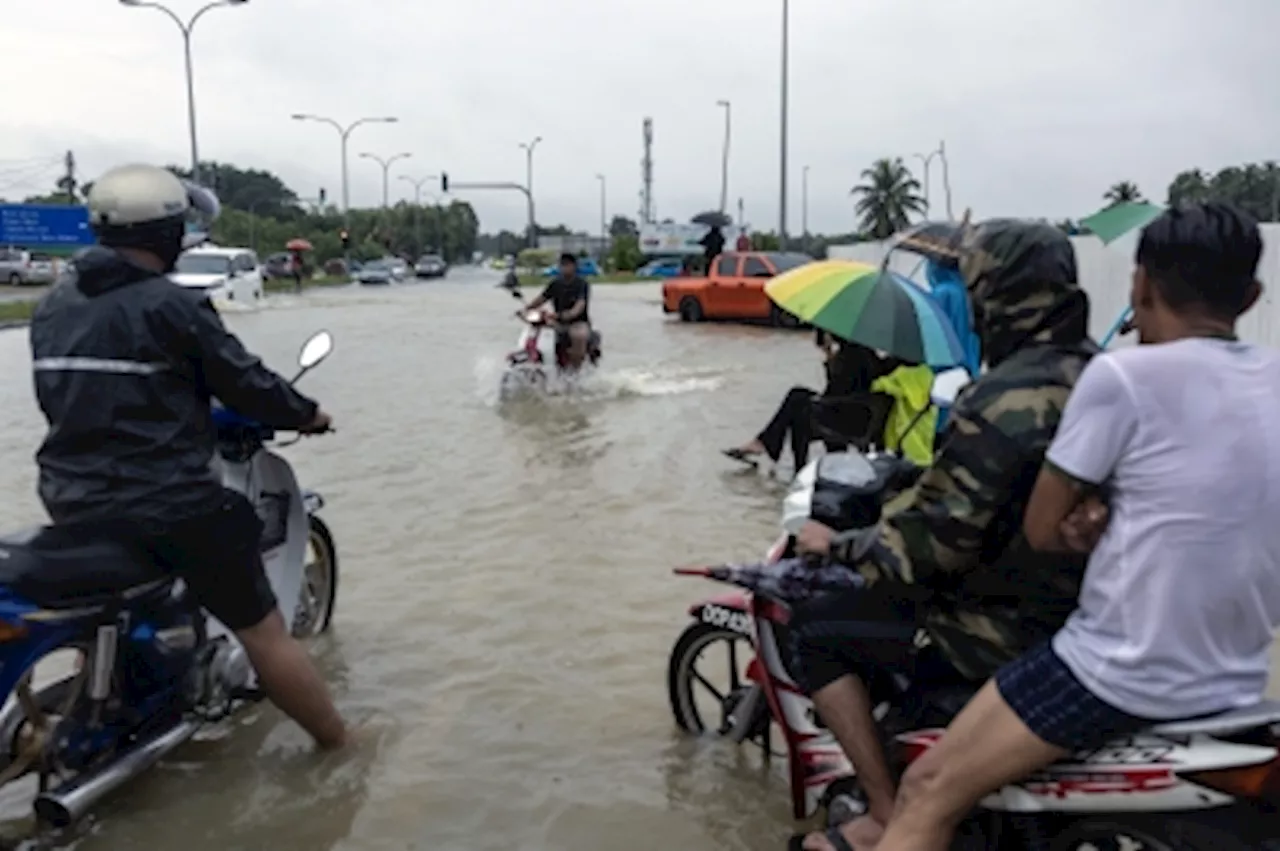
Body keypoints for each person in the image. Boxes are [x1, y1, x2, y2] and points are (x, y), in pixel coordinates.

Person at [871, 202, 1280, 851]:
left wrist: (1078, 524)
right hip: (1236, 679)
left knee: (925, 791)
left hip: (1115, 671)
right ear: (1252, 295)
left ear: (1138, 284)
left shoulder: (1121, 375)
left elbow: (1041, 528)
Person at [787, 219, 1098, 851]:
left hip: (1003, 627)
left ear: (993, 298)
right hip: (1086, 617)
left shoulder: (1007, 394)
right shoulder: (1105, 376)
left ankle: (881, 813)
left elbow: (930, 545)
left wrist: (841, 547)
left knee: (815, 626)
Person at [29, 164, 348, 751]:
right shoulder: (172, 306)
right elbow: (246, 383)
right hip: (168, 503)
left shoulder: (53, 307)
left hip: (70, 496)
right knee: (265, 632)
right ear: (169, 233)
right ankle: (344, 749)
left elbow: (85, 400)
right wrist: (307, 414)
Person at [723, 331, 884, 471]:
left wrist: (829, 359)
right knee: (799, 399)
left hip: (843, 421)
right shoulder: (869, 356)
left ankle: (777, 452)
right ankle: (765, 444)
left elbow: (832, 394)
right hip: (862, 419)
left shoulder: (848, 357)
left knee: (797, 403)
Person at [523, 252, 593, 370]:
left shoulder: (582, 284)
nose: (564, 268)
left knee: (579, 336)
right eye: (562, 265)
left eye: (567, 265)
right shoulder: (555, 283)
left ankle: (575, 369)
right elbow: (541, 298)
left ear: (574, 266)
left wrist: (568, 314)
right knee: (538, 329)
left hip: (577, 322)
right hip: (557, 321)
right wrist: (526, 308)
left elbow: (580, 305)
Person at [869, 356, 937, 466]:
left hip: (902, 434)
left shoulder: (901, 375)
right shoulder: (929, 375)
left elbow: (879, 385)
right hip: (925, 431)